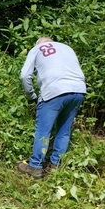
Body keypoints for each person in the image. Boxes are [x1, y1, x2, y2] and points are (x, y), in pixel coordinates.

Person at [17, 37, 86, 178]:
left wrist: (31, 96)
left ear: (39, 44)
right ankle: (56, 165)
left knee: (43, 131)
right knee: (64, 130)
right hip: (79, 90)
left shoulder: (37, 49)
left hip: (54, 90)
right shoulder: (67, 47)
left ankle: (35, 166)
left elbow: (24, 76)